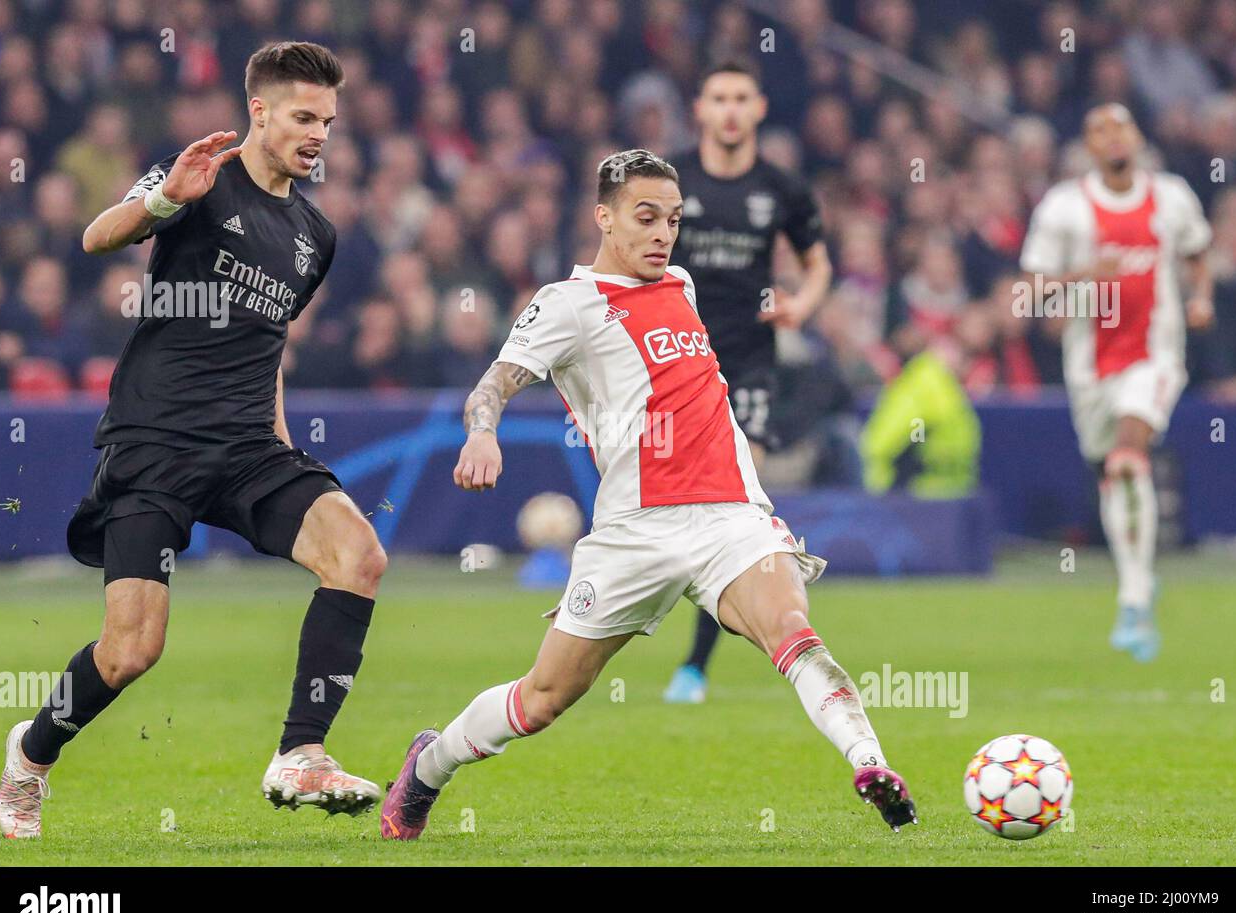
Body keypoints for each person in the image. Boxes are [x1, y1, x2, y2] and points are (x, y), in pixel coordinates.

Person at [379, 149, 916, 841]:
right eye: (646, 218)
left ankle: (870, 764)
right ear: (603, 218)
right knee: (542, 700)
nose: (663, 233)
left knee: (793, 630)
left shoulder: (682, 285)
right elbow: (494, 383)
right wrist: (482, 434)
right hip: (634, 532)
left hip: (731, 516)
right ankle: (429, 767)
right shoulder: (566, 305)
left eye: (672, 219)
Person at [0, 42, 386, 840]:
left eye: (328, 121)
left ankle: (301, 751)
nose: (319, 134)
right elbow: (99, 238)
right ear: (260, 112)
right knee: (131, 650)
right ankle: (31, 756)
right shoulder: (199, 173)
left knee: (359, 556)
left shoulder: (316, 232)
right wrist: (165, 200)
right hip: (156, 444)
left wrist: (283, 453)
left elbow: (267, 342)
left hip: (248, 447)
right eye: (304, 117)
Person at [662, 60, 832, 703]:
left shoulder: (782, 188)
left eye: (741, 98)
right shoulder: (670, 180)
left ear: (758, 108)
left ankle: (696, 664)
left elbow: (817, 264)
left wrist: (803, 306)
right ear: (700, 110)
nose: (730, 110)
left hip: (750, 363)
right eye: (718, 99)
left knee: (738, 504)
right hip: (677, 359)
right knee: (678, 507)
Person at [1019, 103, 1213, 662]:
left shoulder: (1172, 196)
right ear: (1088, 146)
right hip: (1089, 368)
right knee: (1113, 470)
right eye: (1099, 129)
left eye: (1121, 127)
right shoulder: (1064, 207)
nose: (1112, 137)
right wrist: (1085, 275)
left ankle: (1131, 596)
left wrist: (1200, 298)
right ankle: (1137, 587)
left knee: (1129, 455)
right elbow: (1030, 292)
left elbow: (1199, 254)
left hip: (1155, 355)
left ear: (1137, 136)